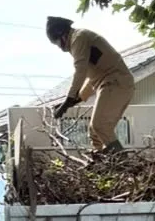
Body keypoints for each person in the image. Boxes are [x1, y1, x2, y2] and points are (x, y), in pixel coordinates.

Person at [46, 17, 135, 154]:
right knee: (95, 132)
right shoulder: (79, 40)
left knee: (99, 126)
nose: (59, 47)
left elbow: (80, 71)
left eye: (56, 43)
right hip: (111, 84)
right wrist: (75, 100)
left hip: (115, 82)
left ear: (62, 34)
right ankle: (102, 163)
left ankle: (122, 161)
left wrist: (68, 100)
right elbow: (91, 77)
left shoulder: (78, 38)